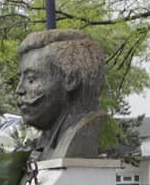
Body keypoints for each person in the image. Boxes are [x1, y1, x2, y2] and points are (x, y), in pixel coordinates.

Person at [16, 29, 106, 161]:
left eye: (31, 79)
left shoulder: (85, 135)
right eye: (21, 79)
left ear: (70, 79)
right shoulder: (46, 141)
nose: (19, 90)